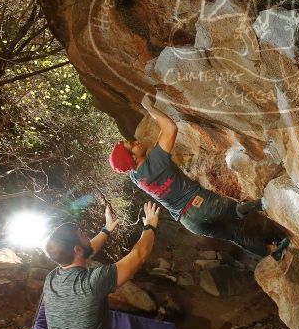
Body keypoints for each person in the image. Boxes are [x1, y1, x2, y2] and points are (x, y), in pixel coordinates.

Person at [108, 95, 289, 259]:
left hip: (190, 222)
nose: (135, 141)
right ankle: (273, 201)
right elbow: (170, 128)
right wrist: (149, 108)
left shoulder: (136, 176)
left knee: (235, 236)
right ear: (133, 158)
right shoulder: (154, 162)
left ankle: (274, 251)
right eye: (132, 145)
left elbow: (155, 145)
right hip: (200, 204)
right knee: (236, 209)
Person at [40, 201, 161, 329]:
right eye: (83, 235)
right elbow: (138, 255)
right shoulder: (92, 283)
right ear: (76, 250)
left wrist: (107, 228)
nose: (87, 235)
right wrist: (150, 226)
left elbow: (85, 252)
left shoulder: (52, 278)